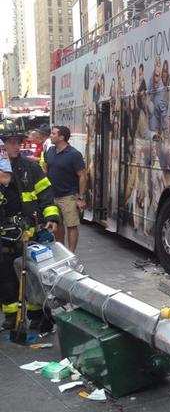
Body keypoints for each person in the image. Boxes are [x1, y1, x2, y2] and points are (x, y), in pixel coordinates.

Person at [0, 123, 60, 330]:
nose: (17, 146)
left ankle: (37, 314)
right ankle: (10, 316)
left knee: (34, 276)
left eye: (19, 142)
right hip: (4, 236)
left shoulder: (30, 167)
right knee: (6, 277)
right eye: (12, 143)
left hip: (30, 233)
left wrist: (52, 218)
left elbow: (46, 195)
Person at [44, 126, 87, 252]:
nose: (51, 135)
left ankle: (71, 254)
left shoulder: (74, 154)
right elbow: (46, 170)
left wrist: (80, 197)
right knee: (57, 225)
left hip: (69, 196)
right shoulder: (50, 151)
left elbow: (82, 176)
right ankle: (61, 252)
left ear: (62, 137)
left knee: (72, 225)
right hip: (53, 196)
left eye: (53, 133)